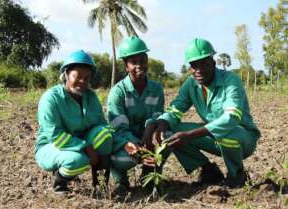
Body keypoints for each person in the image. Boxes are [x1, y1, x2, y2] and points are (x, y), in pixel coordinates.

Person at [153, 38, 261, 188]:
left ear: (213, 62)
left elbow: (231, 118)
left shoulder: (230, 81)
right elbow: (176, 108)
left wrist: (190, 135)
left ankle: (236, 176)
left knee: (227, 133)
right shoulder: (191, 84)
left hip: (242, 138)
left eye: (204, 64)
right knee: (172, 133)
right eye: (194, 65)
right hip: (213, 136)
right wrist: (163, 122)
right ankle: (208, 171)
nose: (199, 70)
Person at [35, 50, 113, 194]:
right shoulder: (50, 99)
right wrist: (86, 146)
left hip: (82, 142)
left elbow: (101, 123)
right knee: (78, 159)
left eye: (87, 78)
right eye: (77, 76)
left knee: (105, 135)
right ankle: (60, 182)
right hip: (51, 146)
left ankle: (100, 185)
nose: (82, 81)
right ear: (66, 75)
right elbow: (55, 135)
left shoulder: (90, 97)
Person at [107, 36, 166, 192]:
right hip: (126, 141)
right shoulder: (118, 92)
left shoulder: (157, 89)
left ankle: (150, 175)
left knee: (168, 137)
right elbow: (118, 128)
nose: (139, 65)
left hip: (148, 139)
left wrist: (150, 135)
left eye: (143, 61)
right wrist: (139, 146)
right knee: (121, 159)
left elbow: (158, 117)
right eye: (134, 62)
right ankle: (120, 180)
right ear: (126, 66)